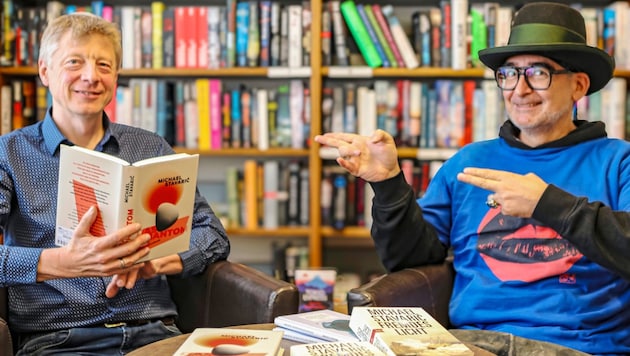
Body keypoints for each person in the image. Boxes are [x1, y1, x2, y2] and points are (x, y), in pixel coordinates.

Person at [315, 2, 630, 355]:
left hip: (572, 346)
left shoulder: (618, 162)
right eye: (509, 74)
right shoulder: (469, 162)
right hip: (471, 343)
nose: (519, 90)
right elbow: (411, 261)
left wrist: (546, 204)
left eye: (538, 73)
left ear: (578, 85)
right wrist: (388, 182)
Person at [0, 12, 230, 355]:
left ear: (116, 77)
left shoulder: (150, 147)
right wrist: (64, 262)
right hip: (60, 340)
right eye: (74, 62)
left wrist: (156, 260)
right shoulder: (9, 153)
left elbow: (212, 234)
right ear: (45, 71)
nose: (91, 77)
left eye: (104, 66)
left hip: (156, 333)